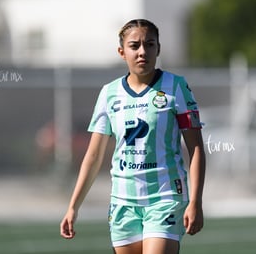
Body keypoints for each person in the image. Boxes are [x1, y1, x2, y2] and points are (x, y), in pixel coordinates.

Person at [60, 19, 206, 254]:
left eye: (149, 44)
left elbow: (196, 148)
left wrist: (195, 201)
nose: (142, 52)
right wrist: (73, 206)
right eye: (134, 45)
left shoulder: (176, 86)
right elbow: (94, 155)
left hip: (165, 197)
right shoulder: (109, 93)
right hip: (123, 202)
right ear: (122, 52)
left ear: (158, 49)